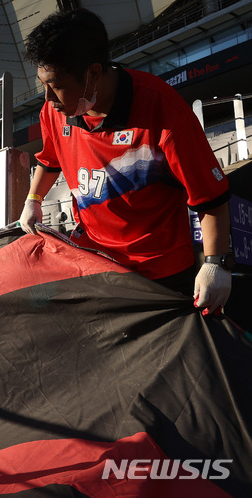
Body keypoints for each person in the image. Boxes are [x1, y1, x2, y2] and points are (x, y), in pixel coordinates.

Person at [20, 8, 232, 314]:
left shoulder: (164, 110)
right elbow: (50, 159)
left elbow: (210, 197)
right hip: (95, 261)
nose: (48, 98)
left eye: (56, 85)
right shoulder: (53, 112)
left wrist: (215, 264)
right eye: (43, 85)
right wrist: (34, 199)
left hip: (160, 274)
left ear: (93, 74)